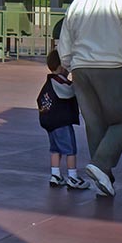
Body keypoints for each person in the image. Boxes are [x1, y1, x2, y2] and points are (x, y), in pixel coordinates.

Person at [56, 0, 122, 197]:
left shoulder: (77, 4)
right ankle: (101, 166)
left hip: (81, 68)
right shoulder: (120, 0)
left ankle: (104, 178)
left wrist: (65, 65)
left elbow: (65, 38)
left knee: (95, 123)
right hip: (112, 66)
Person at [38, 48, 89, 190]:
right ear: (61, 67)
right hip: (61, 122)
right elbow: (70, 91)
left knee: (55, 149)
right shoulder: (60, 81)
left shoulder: (49, 82)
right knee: (70, 150)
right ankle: (72, 176)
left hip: (50, 122)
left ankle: (55, 175)